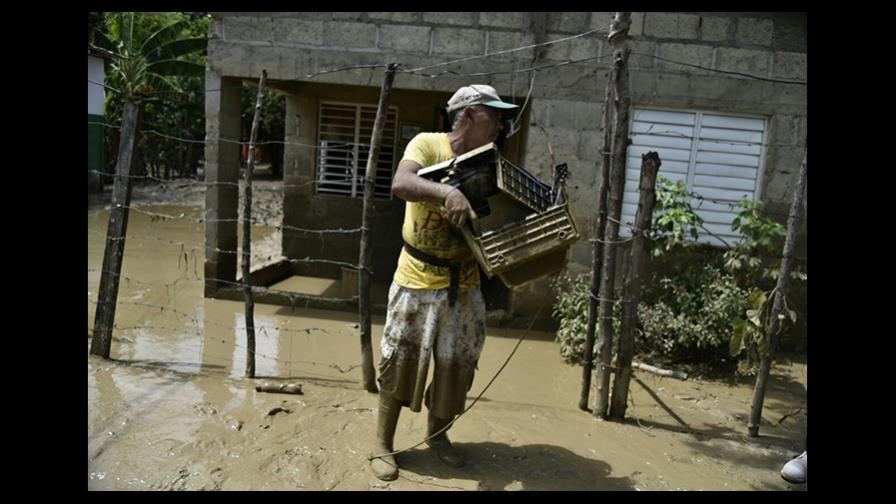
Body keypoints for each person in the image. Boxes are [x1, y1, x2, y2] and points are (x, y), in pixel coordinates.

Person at [369, 85, 519, 481]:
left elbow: (501, 217)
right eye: (494, 116)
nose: (501, 125)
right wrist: (446, 191)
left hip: (465, 282)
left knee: (457, 367)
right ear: (469, 115)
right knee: (399, 363)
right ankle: (383, 445)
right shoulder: (428, 144)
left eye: (502, 118)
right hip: (416, 278)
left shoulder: (491, 161)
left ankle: (437, 438)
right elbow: (401, 184)